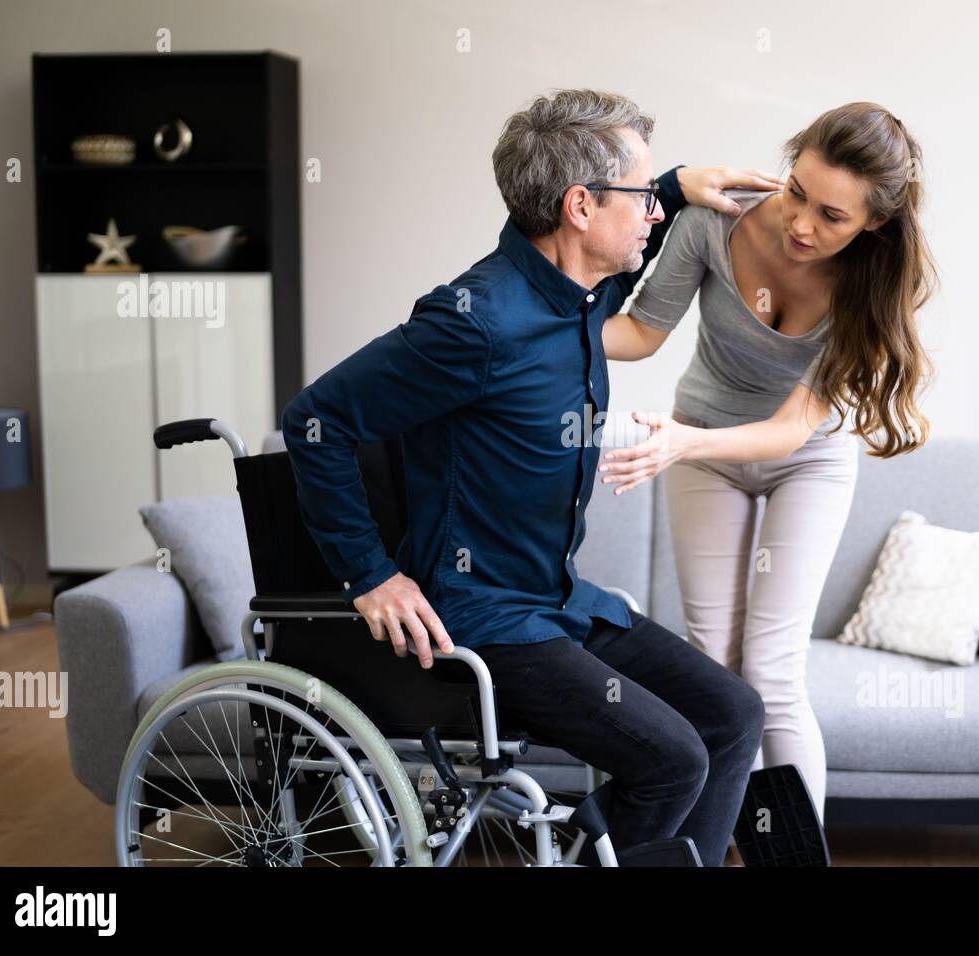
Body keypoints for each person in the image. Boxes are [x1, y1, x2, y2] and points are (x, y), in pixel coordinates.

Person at [278, 88, 788, 866]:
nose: (654, 213)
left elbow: (632, 247)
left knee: (732, 712)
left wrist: (679, 185)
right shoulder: (474, 322)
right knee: (672, 759)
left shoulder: (579, 290)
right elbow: (316, 420)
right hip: (485, 620)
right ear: (580, 206)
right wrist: (369, 575)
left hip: (557, 600)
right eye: (641, 195)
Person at [597, 102, 938, 822]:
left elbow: (787, 433)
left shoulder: (873, 289)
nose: (802, 225)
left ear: (874, 222)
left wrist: (682, 441)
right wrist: (531, 322)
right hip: (705, 448)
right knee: (713, 669)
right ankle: (710, 847)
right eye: (796, 192)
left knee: (774, 674)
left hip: (803, 461)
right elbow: (638, 334)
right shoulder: (713, 222)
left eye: (834, 217)